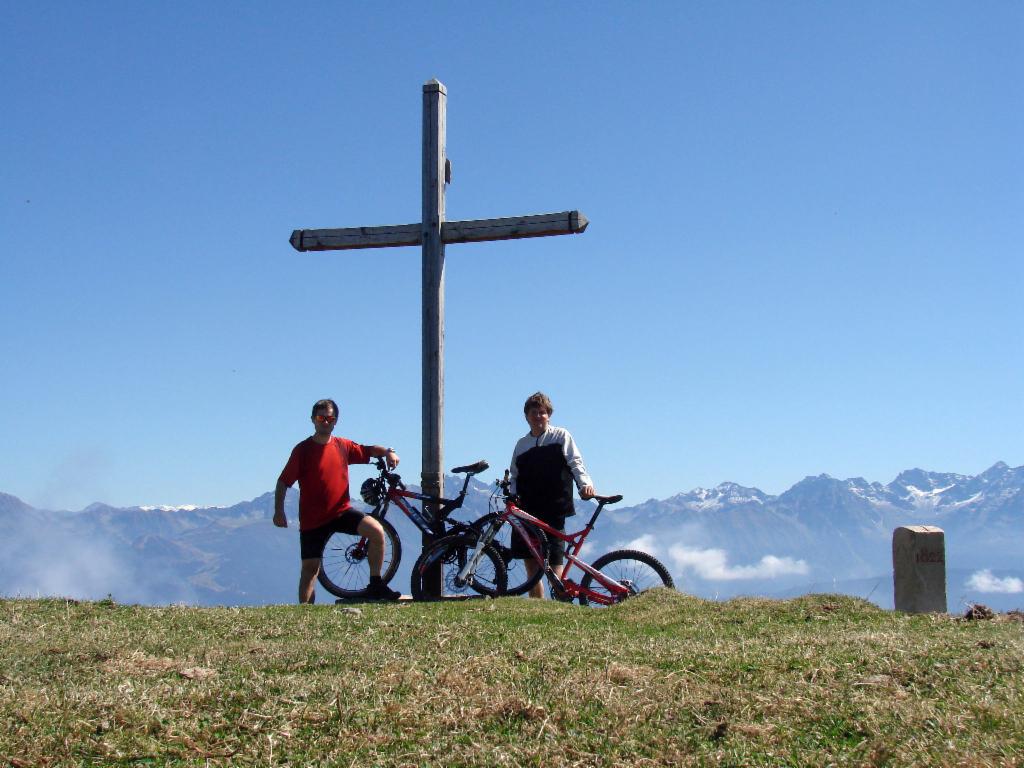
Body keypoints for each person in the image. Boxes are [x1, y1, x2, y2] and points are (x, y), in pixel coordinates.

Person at [274, 398, 402, 603]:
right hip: (313, 519)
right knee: (310, 570)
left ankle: (376, 585)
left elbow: (369, 450)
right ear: (313, 420)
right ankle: (305, 616)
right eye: (321, 417)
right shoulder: (303, 450)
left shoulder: (343, 446)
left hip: (341, 512)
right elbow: (283, 482)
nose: (325, 421)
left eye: (330, 418)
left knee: (377, 532)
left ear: (335, 421)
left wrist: (388, 451)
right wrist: (279, 511)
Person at [509, 391, 595, 599]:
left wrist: (586, 485)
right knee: (531, 567)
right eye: (534, 413)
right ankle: (539, 611)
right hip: (527, 509)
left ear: (549, 415)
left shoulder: (561, 436)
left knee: (555, 569)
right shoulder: (521, 445)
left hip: (554, 508)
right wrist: (512, 497)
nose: (538, 416)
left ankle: (560, 606)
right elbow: (514, 475)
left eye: (542, 412)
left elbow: (576, 463)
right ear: (526, 417)